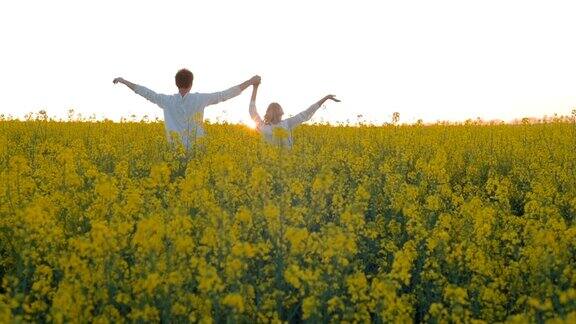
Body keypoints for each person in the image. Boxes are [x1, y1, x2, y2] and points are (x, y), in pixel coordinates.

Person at [113, 69, 260, 148]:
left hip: (174, 151)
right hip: (197, 149)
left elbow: (145, 92)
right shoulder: (200, 99)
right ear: (191, 84)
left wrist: (124, 81)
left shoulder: (166, 101)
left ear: (176, 83)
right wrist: (250, 82)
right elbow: (224, 95)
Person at [248, 81, 340, 147]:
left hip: (287, 165)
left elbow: (306, 113)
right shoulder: (264, 126)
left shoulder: (286, 123)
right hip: (270, 165)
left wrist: (325, 98)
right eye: (278, 112)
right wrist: (255, 88)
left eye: (280, 112)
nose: (281, 114)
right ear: (272, 113)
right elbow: (252, 110)